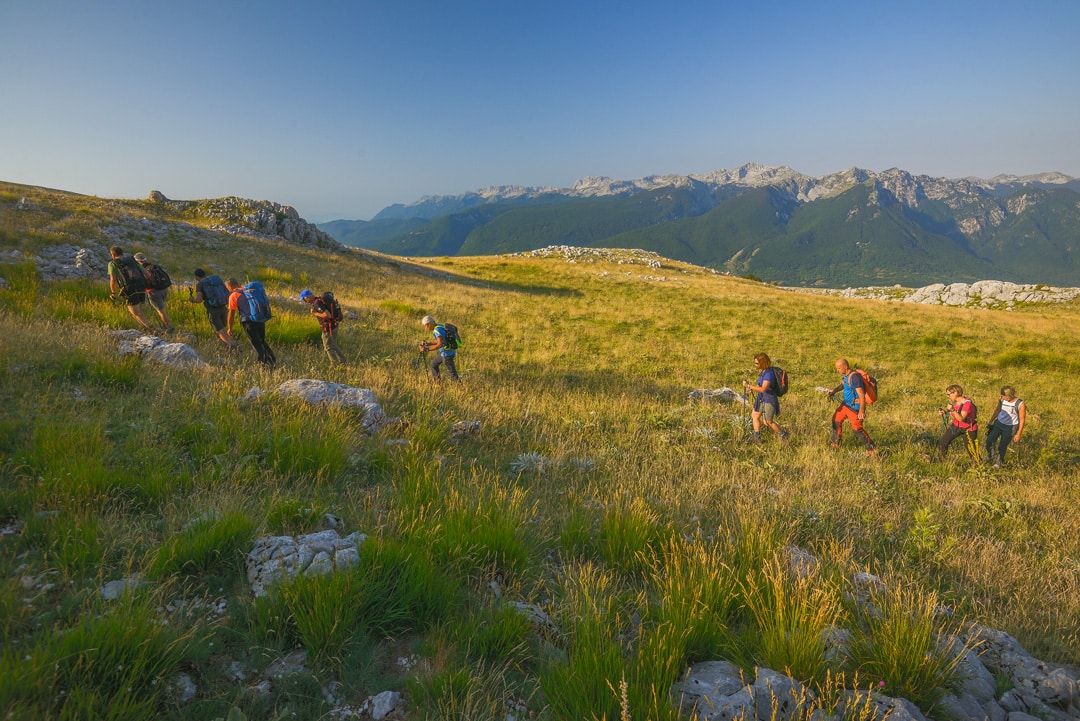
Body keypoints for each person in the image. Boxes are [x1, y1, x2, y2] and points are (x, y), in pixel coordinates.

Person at [827, 358, 877, 454]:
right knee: (836, 420)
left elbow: (861, 394)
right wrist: (833, 391)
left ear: (845, 367)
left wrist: (862, 411)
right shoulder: (846, 375)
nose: (837, 370)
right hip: (846, 404)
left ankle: (872, 449)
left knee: (857, 429)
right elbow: (843, 384)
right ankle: (836, 443)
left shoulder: (855, 378)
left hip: (855, 408)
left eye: (839, 368)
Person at [226, 277, 276, 368]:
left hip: (249, 322)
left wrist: (229, 328)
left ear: (229, 287)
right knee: (261, 341)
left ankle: (263, 364)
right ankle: (272, 360)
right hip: (260, 319)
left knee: (256, 343)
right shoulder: (249, 291)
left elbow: (231, 313)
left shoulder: (234, 295)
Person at [742, 352, 789, 443]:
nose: (755, 365)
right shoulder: (763, 372)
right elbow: (760, 386)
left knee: (767, 422)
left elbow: (763, 389)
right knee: (755, 416)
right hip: (761, 398)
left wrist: (748, 386)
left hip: (769, 399)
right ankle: (757, 437)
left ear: (763, 363)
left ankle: (783, 434)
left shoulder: (769, 374)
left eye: (757, 363)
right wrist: (752, 388)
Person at [106, 245, 153, 331]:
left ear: (112, 254)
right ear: (122, 253)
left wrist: (113, 292)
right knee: (139, 311)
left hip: (129, 289)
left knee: (135, 312)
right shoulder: (131, 260)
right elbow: (146, 272)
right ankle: (145, 329)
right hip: (141, 286)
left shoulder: (112, 264)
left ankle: (152, 330)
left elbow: (113, 280)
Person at [189, 268, 237, 350]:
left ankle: (232, 346)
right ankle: (230, 344)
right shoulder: (216, 279)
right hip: (223, 306)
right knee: (223, 328)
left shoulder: (200, 284)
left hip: (213, 309)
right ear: (205, 274)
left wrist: (192, 300)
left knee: (219, 330)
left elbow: (199, 299)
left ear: (197, 277)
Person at [934, 384, 978, 462]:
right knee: (943, 441)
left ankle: (977, 464)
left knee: (971, 449)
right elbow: (955, 413)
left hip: (968, 429)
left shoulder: (967, 404)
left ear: (956, 393)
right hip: (956, 426)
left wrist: (952, 410)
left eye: (949, 394)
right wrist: (945, 412)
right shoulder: (956, 402)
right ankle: (940, 460)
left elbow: (961, 418)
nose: (948, 396)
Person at [300, 289, 347, 364]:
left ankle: (334, 364)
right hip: (334, 325)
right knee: (333, 344)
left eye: (304, 300)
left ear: (307, 297)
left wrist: (315, 313)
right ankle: (343, 360)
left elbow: (327, 315)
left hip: (328, 327)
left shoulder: (317, 303)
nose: (305, 301)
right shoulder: (319, 300)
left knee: (328, 347)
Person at [985, 385, 1025, 467]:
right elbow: (998, 410)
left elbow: (1022, 420)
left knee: (1003, 445)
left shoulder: (1020, 404)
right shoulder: (1001, 400)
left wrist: (1018, 434)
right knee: (989, 440)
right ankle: (991, 456)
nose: (1001, 397)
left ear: (1009, 396)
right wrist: (991, 420)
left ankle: (998, 462)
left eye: (1003, 396)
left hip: (1010, 427)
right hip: (998, 423)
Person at [134, 252, 174, 332]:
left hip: (154, 292)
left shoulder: (142, 270)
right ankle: (164, 326)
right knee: (162, 309)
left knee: (161, 311)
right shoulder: (154, 266)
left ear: (137, 261)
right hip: (164, 289)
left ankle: (169, 327)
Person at [419, 315, 459, 381]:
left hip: (446, 354)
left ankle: (460, 388)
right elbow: (440, 340)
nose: (425, 328)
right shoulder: (440, 326)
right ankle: (437, 384)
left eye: (425, 326)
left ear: (428, 324)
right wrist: (428, 343)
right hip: (449, 351)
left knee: (453, 374)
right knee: (433, 364)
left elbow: (439, 344)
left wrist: (426, 349)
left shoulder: (436, 331)